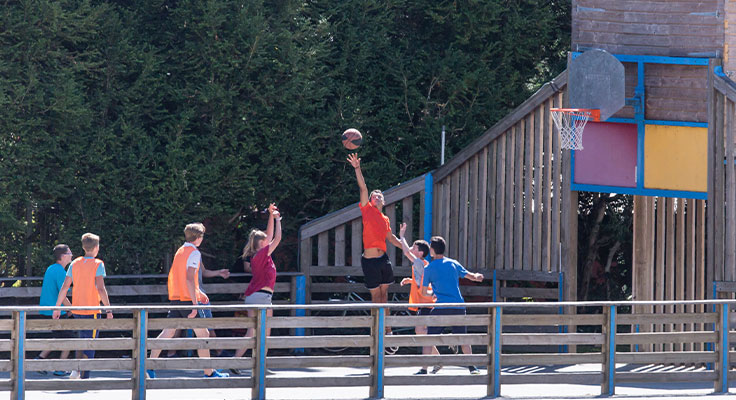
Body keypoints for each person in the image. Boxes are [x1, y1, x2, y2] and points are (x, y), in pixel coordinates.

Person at [147, 223, 228, 378]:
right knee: (203, 335)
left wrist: (198, 294)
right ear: (199, 238)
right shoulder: (194, 253)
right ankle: (208, 372)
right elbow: (190, 279)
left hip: (177, 298)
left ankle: (149, 366)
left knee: (168, 332)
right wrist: (195, 304)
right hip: (187, 301)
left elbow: (183, 279)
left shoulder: (180, 251)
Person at [347, 153, 403, 354]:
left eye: (380, 195)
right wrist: (357, 168)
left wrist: (407, 248)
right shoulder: (367, 211)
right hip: (369, 261)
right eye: (374, 195)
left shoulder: (385, 219)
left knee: (384, 296)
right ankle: (376, 331)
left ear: (383, 201)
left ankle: (387, 331)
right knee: (375, 298)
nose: (377, 196)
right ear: (370, 201)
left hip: (383, 259)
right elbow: (363, 187)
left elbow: (391, 239)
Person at [52, 233, 113, 380]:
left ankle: (76, 369)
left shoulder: (75, 263)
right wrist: (108, 308)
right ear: (96, 247)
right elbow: (100, 288)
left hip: (77, 309)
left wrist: (57, 307)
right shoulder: (98, 264)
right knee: (90, 342)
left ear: (83, 247)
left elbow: (65, 287)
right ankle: (84, 376)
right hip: (92, 310)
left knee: (81, 338)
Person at [421, 236, 484, 375]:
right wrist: (478, 276)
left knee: (428, 337)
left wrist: (433, 294)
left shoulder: (429, 268)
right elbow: (472, 276)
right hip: (458, 307)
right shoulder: (453, 263)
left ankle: (424, 368)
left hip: (441, 308)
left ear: (432, 250)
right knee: (463, 337)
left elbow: (424, 292)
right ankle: (472, 367)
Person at [232, 204, 282, 374]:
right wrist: (278, 220)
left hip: (254, 295)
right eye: (265, 240)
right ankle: (261, 367)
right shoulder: (262, 254)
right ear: (261, 243)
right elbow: (276, 238)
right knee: (265, 333)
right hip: (262, 296)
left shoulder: (258, 255)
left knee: (251, 331)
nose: (267, 240)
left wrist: (270, 215)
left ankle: (236, 360)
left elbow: (268, 235)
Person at [397, 223, 435, 375]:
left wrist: (401, 236)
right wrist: (410, 281)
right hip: (425, 303)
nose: (411, 250)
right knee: (422, 332)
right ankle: (438, 360)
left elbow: (405, 251)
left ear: (420, 253)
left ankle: (427, 366)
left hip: (427, 303)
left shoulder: (419, 262)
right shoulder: (423, 264)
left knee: (421, 331)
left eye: (414, 248)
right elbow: (422, 282)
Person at [37, 244, 73, 376]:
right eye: (69, 253)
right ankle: (60, 367)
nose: (72, 255)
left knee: (58, 337)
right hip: (56, 311)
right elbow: (62, 294)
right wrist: (71, 309)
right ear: (63, 256)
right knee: (69, 339)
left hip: (46, 310)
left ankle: (39, 360)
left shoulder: (51, 268)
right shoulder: (61, 271)